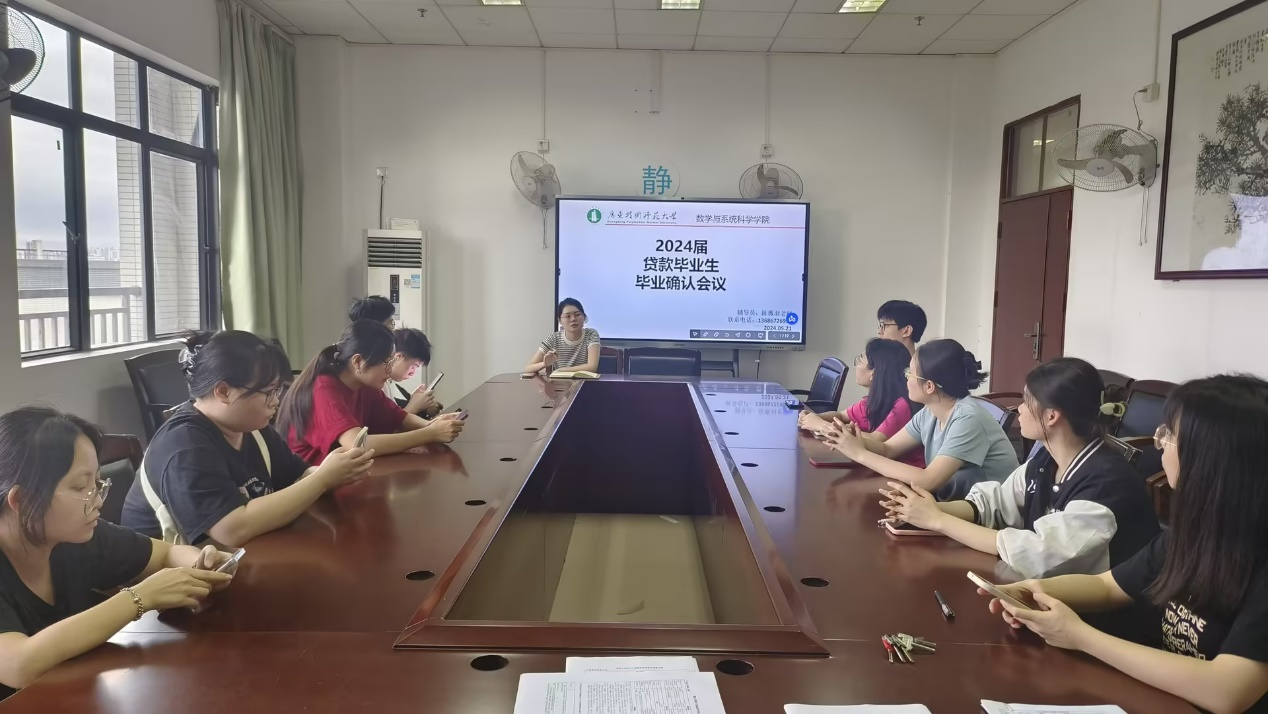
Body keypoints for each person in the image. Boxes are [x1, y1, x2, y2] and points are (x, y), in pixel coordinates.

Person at [978, 374, 1268, 714]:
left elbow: (1227, 690)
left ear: (1213, 458)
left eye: (1170, 435)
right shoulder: (1196, 533)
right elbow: (1108, 586)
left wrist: (1079, 636)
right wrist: (1034, 590)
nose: (1160, 443)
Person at [0, 407, 235, 699]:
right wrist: (139, 598)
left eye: (97, 483)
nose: (98, 500)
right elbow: (18, 665)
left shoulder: (76, 536)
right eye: (80, 487)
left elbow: (166, 555)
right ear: (21, 501)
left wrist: (201, 563)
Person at [881, 357, 1159, 578]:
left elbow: (1037, 552)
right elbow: (994, 503)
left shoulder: (1106, 484)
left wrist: (937, 520)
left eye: (1027, 401)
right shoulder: (1047, 460)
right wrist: (927, 509)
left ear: (1052, 416)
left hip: (1105, 620)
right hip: (1048, 597)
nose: (1020, 409)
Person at [121, 331, 375, 548]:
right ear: (223, 391)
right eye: (268, 392)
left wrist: (335, 471)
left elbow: (298, 476)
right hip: (167, 582)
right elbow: (231, 529)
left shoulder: (251, 427)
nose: (276, 401)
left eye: (278, 389)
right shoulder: (184, 445)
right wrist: (322, 479)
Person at [823, 339, 1017, 501]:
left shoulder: (968, 418)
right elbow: (888, 449)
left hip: (987, 516)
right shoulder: (930, 412)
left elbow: (928, 480)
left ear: (929, 386)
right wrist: (849, 439)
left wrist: (858, 453)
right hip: (953, 503)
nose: (906, 377)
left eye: (910, 373)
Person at [278, 320, 464, 465]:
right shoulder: (324, 389)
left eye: (391, 362)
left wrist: (433, 424)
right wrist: (430, 433)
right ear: (358, 362)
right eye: (386, 362)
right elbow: (358, 443)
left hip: (346, 476)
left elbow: (400, 418)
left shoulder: (364, 385)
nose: (389, 370)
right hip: (312, 485)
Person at [798, 339, 924, 466]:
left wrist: (822, 426)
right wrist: (813, 417)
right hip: (876, 465)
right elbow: (841, 415)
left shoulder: (902, 405)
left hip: (902, 470)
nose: (856, 365)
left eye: (860, 360)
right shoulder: (871, 401)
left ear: (874, 372)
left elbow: (877, 440)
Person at [525, 298, 600, 375]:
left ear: (584, 317)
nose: (573, 319)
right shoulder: (554, 338)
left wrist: (562, 370)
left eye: (577, 314)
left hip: (584, 381)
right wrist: (544, 364)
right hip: (559, 381)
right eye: (568, 316)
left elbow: (592, 367)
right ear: (560, 320)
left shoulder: (591, 334)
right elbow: (528, 368)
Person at [385, 328, 443, 417]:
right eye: (413, 366)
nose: (412, 373)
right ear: (398, 358)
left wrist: (417, 403)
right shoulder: (380, 386)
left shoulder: (389, 384)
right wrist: (414, 406)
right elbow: (390, 424)